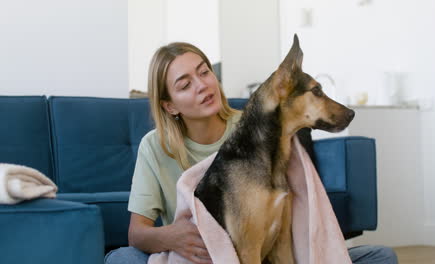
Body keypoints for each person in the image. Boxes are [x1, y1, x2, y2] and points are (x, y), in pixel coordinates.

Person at [105, 42, 398, 264]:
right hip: (201, 255)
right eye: (185, 84)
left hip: (269, 253)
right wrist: (173, 236)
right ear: (170, 106)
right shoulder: (154, 147)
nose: (202, 85)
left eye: (204, 72)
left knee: (380, 256)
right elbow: (138, 234)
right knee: (121, 259)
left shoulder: (258, 128)